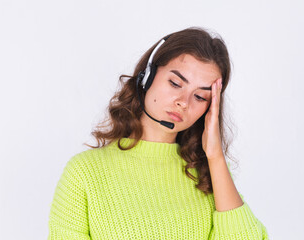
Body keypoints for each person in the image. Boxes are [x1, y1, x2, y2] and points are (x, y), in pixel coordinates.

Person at [48, 27, 270, 239]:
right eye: (175, 83)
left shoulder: (210, 174)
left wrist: (215, 156)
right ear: (148, 76)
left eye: (200, 97)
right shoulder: (84, 173)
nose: (183, 102)